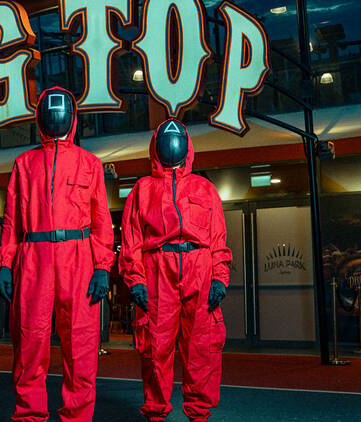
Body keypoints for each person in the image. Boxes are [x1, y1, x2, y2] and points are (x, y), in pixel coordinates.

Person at [0, 86, 115, 421]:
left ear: (72, 119)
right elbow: (12, 220)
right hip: (34, 257)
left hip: (78, 256)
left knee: (81, 345)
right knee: (29, 343)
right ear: (40, 118)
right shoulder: (24, 164)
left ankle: (76, 417)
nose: (55, 116)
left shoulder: (90, 164)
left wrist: (102, 266)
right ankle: (29, 415)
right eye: (50, 110)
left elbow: (100, 219)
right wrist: (5, 263)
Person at [119, 118, 232, 422]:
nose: (172, 143)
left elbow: (218, 239)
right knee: (156, 348)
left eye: (178, 137)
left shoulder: (205, 188)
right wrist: (136, 281)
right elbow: (131, 242)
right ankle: (156, 413)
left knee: (203, 348)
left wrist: (220, 277)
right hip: (157, 271)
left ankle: (199, 414)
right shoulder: (141, 190)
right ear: (156, 146)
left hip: (200, 269)